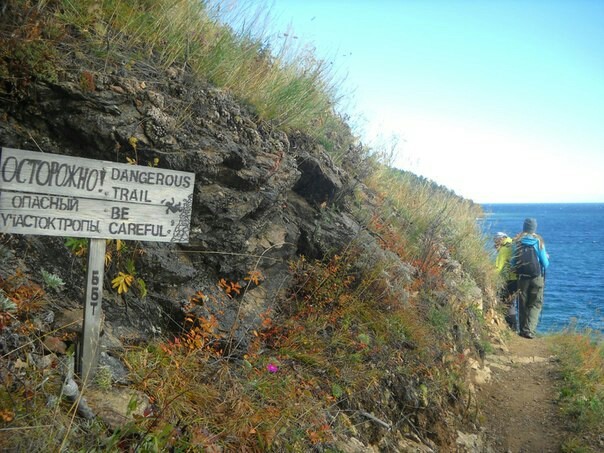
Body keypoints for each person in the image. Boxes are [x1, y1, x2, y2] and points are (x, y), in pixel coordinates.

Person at [511, 218, 550, 339]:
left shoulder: (517, 241)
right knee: (535, 304)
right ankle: (529, 330)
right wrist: (547, 257)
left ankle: (522, 330)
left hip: (522, 278)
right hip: (536, 277)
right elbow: (545, 263)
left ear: (524, 227)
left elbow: (513, 262)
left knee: (522, 304)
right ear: (534, 228)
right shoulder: (538, 242)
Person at [494, 232, 518, 330]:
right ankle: (515, 328)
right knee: (512, 303)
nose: (495, 244)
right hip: (519, 279)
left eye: (496, 241)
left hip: (509, 279)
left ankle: (512, 328)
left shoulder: (504, 250)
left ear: (501, 239)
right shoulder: (513, 245)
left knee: (507, 303)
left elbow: (498, 268)